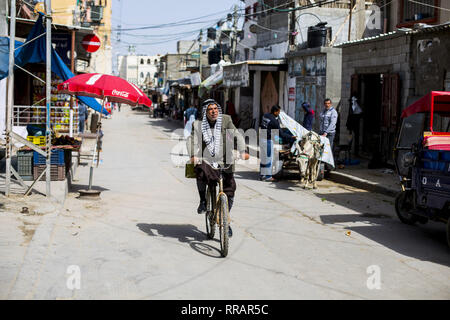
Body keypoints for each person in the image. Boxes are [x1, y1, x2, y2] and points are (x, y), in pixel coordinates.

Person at [187, 99, 249, 237]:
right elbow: (192, 140)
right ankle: (203, 200)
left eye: (216, 108)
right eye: (210, 109)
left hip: (225, 159)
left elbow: (236, 134)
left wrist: (242, 150)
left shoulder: (226, 120)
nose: (214, 111)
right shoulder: (198, 124)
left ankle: (225, 219)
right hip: (207, 159)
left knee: (230, 190)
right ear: (205, 112)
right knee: (200, 170)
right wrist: (193, 155)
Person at [260, 105, 296, 182]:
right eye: (278, 112)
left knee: (263, 157)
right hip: (268, 140)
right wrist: (291, 137)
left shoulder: (265, 116)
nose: (279, 113)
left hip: (261, 139)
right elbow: (281, 134)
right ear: (275, 112)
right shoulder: (274, 121)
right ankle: (268, 177)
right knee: (269, 158)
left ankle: (262, 175)